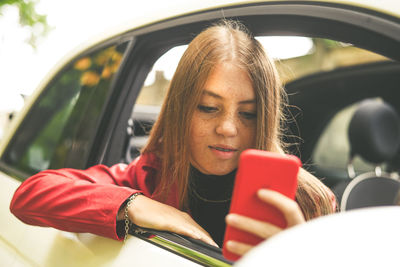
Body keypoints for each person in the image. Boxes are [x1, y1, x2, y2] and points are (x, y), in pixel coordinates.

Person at [10, 20, 335, 258]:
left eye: (247, 114)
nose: (228, 128)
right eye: (208, 107)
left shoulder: (309, 201)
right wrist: (136, 204)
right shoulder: (148, 176)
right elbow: (30, 195)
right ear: (181, 108)